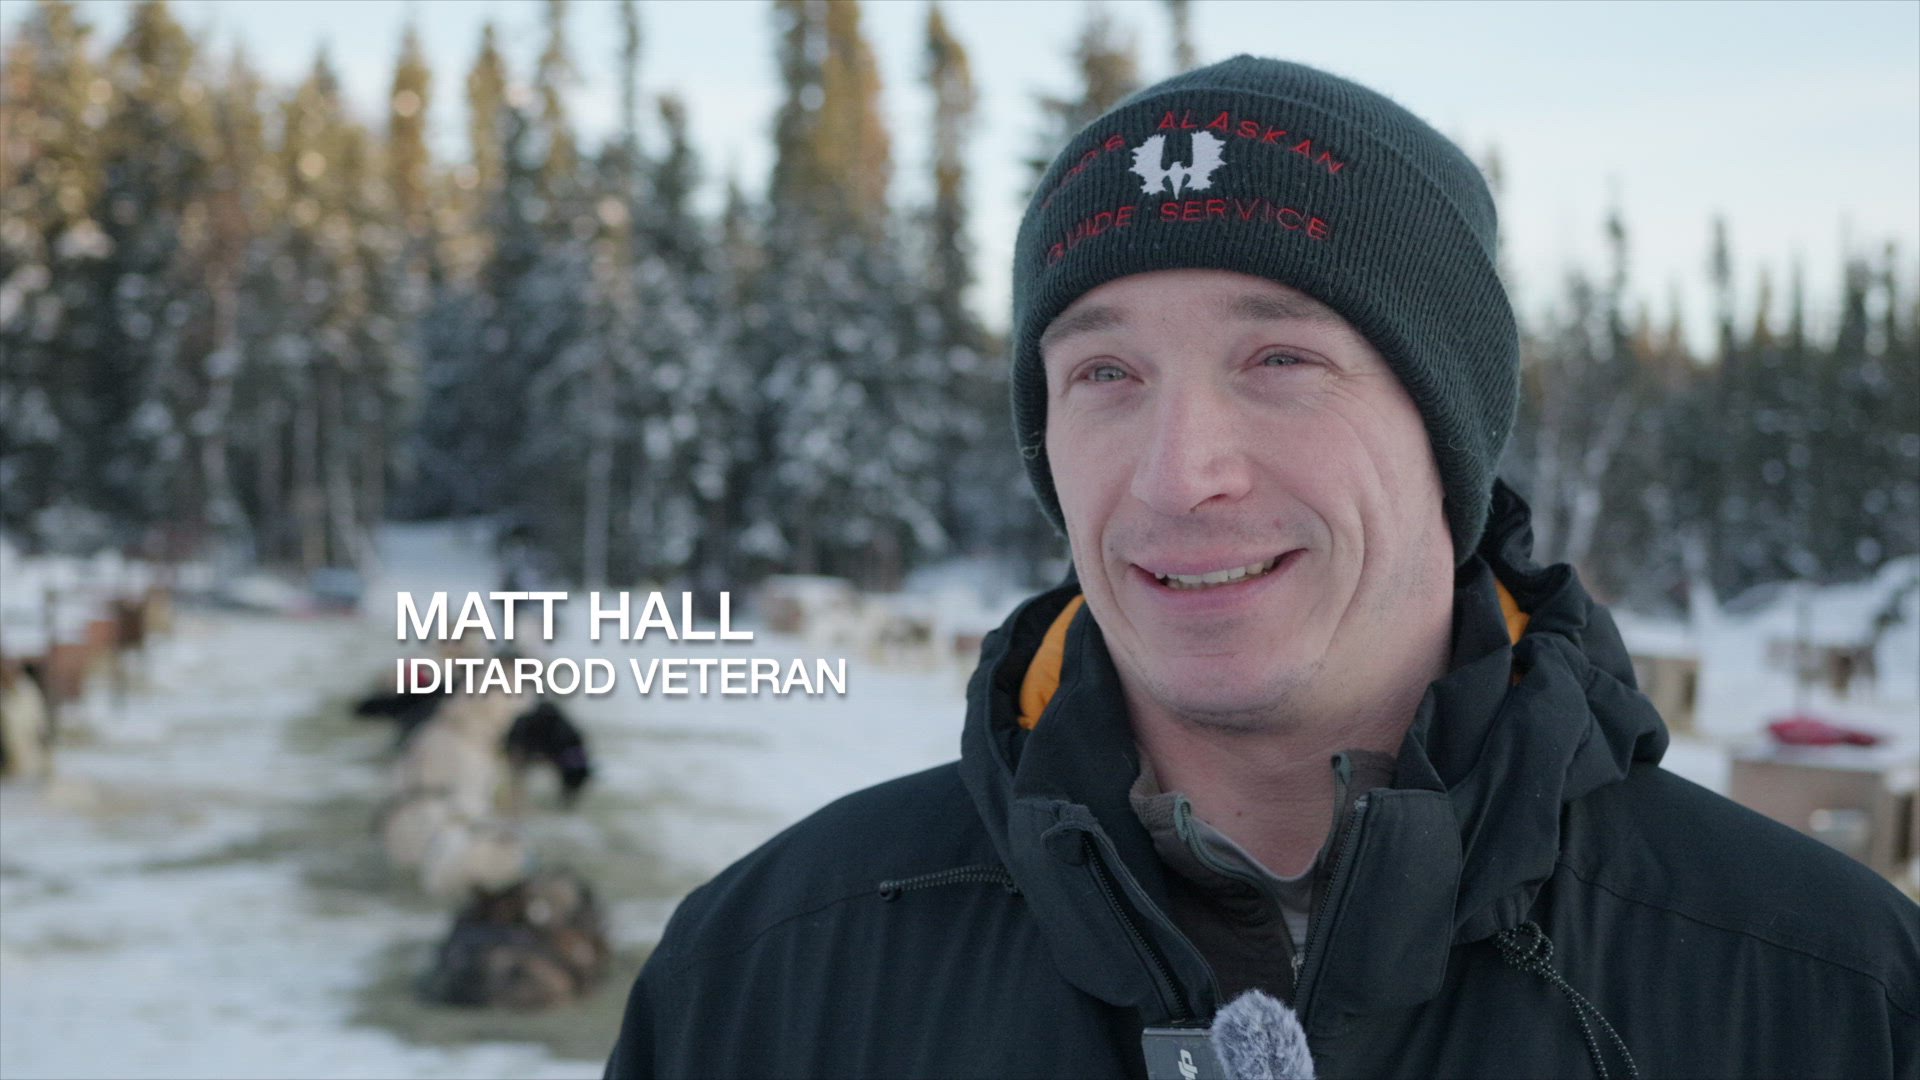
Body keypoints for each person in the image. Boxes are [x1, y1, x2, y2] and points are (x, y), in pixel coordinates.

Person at [605, 56, 1919, 1079]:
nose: (1180, 474)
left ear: (1447, 433)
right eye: (1105, 373)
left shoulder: (1825, 993)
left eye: (1281, 360)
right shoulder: (768, 973)